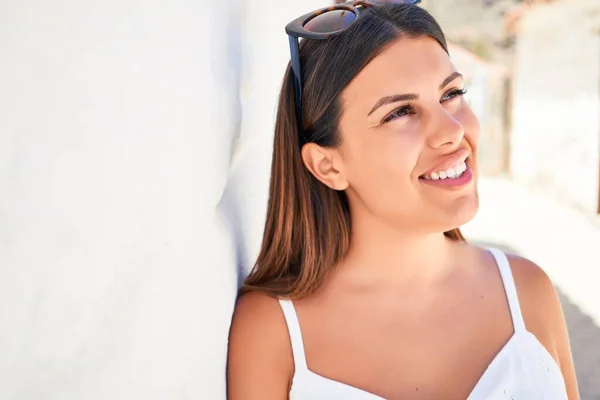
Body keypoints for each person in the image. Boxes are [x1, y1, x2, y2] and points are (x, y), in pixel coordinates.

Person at [227, 1, 579, 399]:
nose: (451, 130)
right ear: (328, 165)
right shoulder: (272, 331)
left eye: (451, 93)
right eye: (400, 113)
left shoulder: (528, 289)